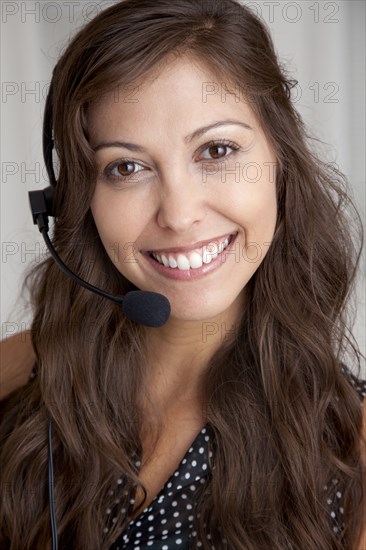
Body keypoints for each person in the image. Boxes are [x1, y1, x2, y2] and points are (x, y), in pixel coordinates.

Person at [1, 0, 365, 548]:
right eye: (127, 167)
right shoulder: (19, 371)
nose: (178, 214)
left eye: (216, 150)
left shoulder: (352, 441)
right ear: (75, 199)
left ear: (280, 161)